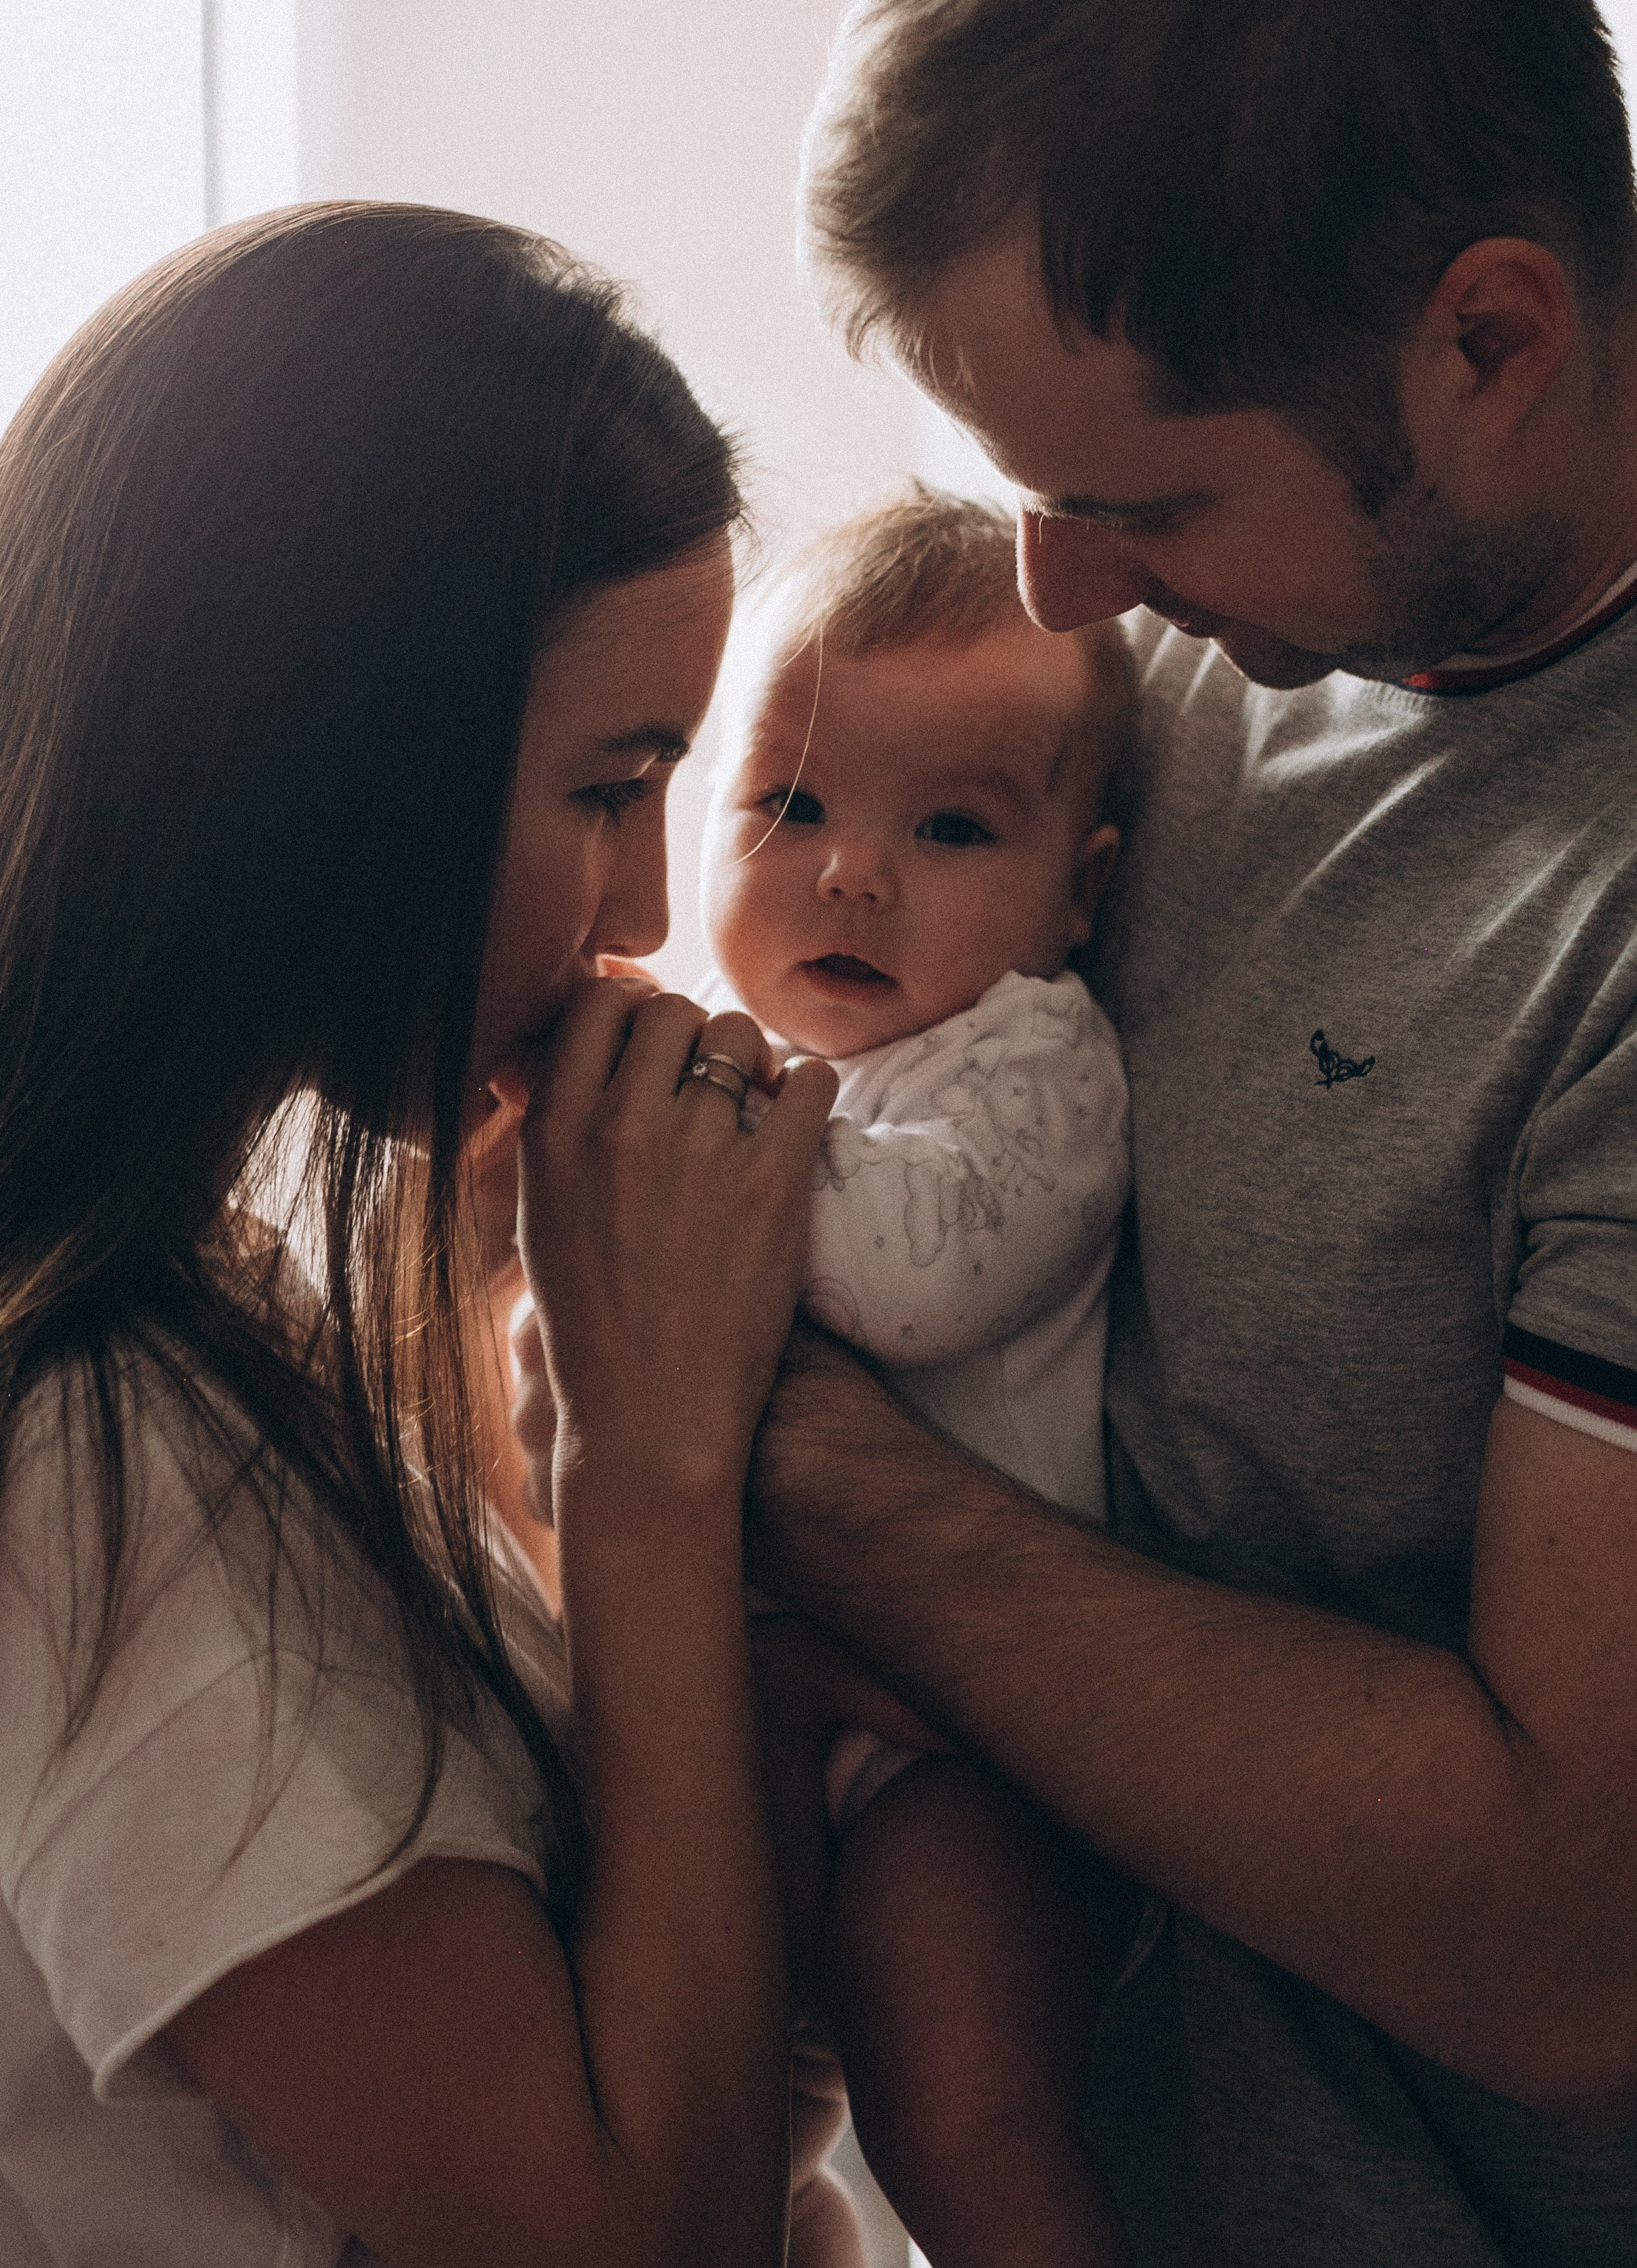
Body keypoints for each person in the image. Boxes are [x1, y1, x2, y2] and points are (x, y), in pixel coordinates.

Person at [743, 0, 1637, 2264]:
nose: (1066, 595)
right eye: (1028, 497)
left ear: (1493, 338)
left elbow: (1595, 1933)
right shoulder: (1192, 644)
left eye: (1141, 498)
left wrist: (788, 1460)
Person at [0, 200, 846, 2266]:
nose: (644, 910)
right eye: (607, 784)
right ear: (331, 763)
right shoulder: (98, 1459)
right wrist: (647, 1470)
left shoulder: (205, 1320)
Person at [514, 487, 1145, 2266]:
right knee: (725, 2077)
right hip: (783, 1688)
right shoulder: (792, 1063)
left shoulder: (1031, 1057)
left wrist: (681, 1137)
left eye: (949, 827)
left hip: (968, 1743)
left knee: (960, 2121)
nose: (851, 872)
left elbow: (916, 1275)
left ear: (1075, 891)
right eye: (788, 806)